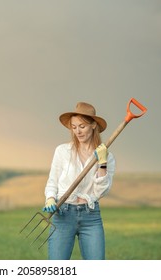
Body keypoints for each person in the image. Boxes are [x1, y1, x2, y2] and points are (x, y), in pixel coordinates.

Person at [42, 102, 115, 260]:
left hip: (91, 216)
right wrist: (49, 199)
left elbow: (101, 191)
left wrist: (102, 163)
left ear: (93, 125)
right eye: (74, 127)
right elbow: (52, 181)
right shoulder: (62, 151)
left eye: (82, 126)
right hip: (63, 214)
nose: (77, 131)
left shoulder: (106, 156)